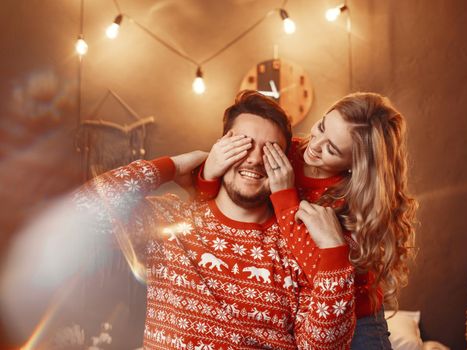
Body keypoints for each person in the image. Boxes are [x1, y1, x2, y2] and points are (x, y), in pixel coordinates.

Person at [73, 90, 356, 349]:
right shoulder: (168, 220)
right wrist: (173, 166)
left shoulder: (297, 248)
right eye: (242, 144)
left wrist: (335, 256)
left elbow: (324, 348)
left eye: (270, 152)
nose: (255, 160)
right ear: (221, 147)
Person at [196, 92, 418, 349]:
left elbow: (322, 273)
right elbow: (225, 190)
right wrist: (207, 175)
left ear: (356, 164)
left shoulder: (354, 201)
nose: (314, 145)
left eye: (331, 149)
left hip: (358, 317)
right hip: (305, 312)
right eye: (321, 127)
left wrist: (285, 197)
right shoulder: (288, 152)